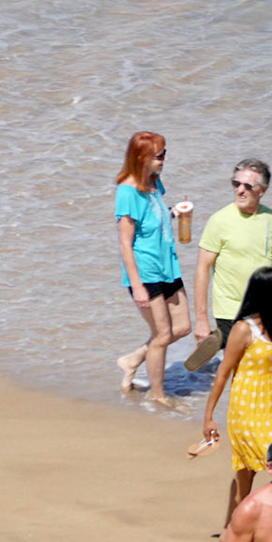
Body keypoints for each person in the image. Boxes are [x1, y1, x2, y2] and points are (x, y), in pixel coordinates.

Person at [203, 267, 272, 530]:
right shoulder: (243, 329)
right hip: (247, 409)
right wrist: (208, 417)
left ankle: (244, 525)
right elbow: (223, 372)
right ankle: (240, 529)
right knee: (253, 472)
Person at [113, 131, 186, 403]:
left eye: (165, 153)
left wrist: (174, 213)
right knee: (163, 334)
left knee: (183, 327)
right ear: (142, 158)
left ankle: (132, 359)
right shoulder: (127, 192)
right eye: (159, 156)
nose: (164, 159)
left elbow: (154, 217)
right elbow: (125, 243)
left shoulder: (155, 182)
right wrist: (138, 286)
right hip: (145, 272)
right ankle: (158, 395)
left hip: (168, 266)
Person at [193, 158, 272, 353]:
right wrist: (201, 320)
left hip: (266, 309)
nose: (240, 190)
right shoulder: (219, 221)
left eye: (247, 186)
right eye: (236, 184)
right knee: (241, 371)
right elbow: (202, 268)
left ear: (263, 190)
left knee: (269, 365)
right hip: (230, 311)